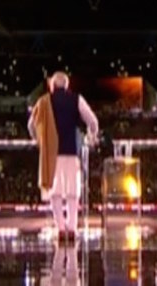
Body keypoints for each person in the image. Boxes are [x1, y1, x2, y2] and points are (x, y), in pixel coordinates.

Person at [29, 71, 99, 241]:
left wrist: (38, 140)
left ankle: (60, 228)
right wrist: (91, 137)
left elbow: (31, 124)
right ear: (67, 86)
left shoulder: (43, 101)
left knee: (55, 193)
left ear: (52, 86)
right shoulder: (76, 99)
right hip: (72, 152)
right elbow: (93, 121)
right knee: (72, 193)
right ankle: (72, 228)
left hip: (51, 154)